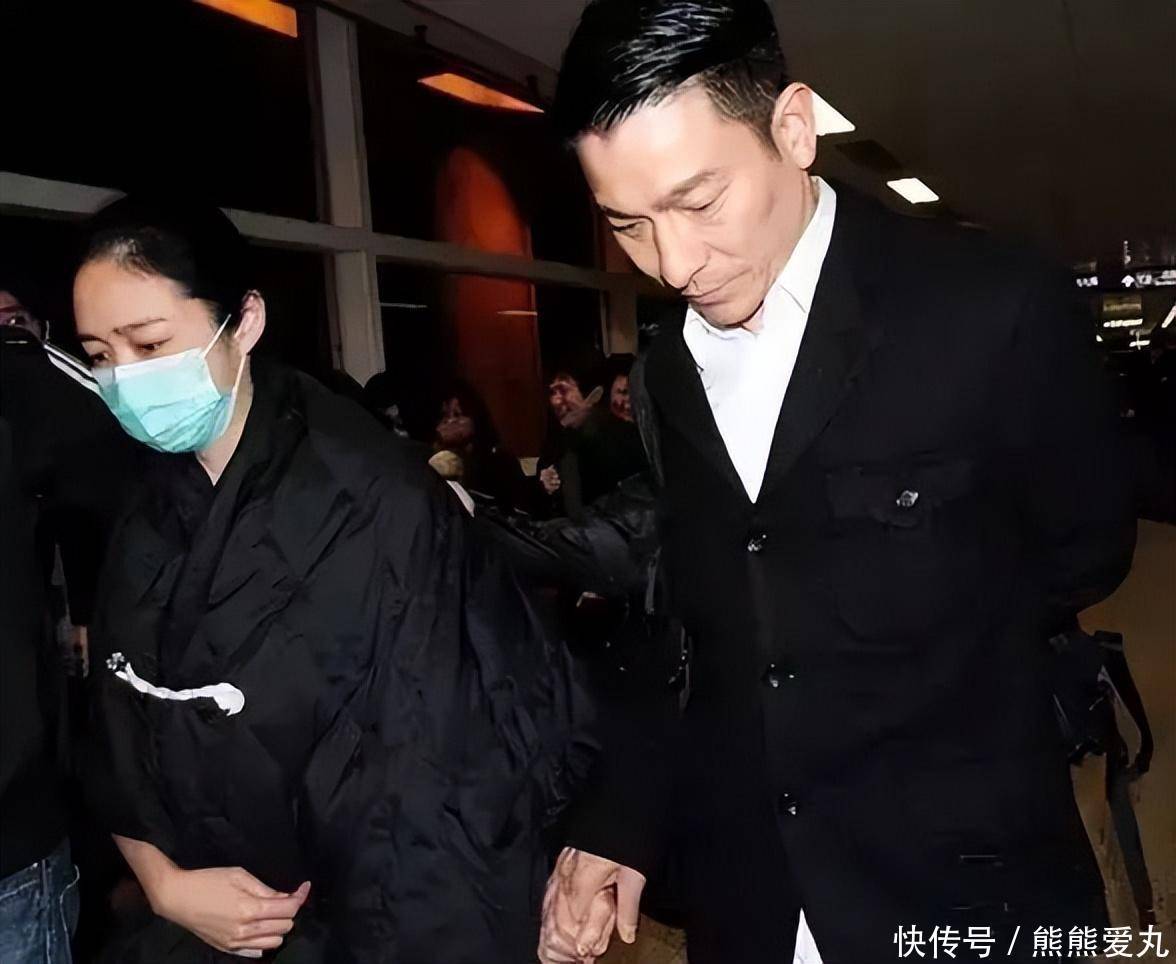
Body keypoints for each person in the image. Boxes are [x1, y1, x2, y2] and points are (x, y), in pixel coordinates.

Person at [540, 2, 1136, 962]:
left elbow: (1086, 549)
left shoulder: (991, 307)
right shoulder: (664, 376)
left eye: (699, 202)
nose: (674, 264)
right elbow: (693, 622)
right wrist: (623, 817)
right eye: (629, 224)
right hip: (755, 901)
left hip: (962, 885)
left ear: (792, 128)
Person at [71, 194, 593, 963]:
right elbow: (113, 726)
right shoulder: (142, 501)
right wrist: (165, 883)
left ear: (245, 321)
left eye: (149, 344)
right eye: (99, 355)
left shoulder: (372, 497)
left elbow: (438, 772)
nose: (126, 379)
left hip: (354, 924)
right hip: (198, 919)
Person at [537, 364, 646, 518]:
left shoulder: (612, 434)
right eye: (553, 393)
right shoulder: (558, 438)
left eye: (564, 390)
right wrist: (544, 482)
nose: (557, 400)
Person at [431, 380, 530, 511]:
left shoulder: (499, 461)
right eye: (444, 415)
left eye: (457, 414)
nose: (449, 421)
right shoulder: (433, 460)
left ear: (475, 418)